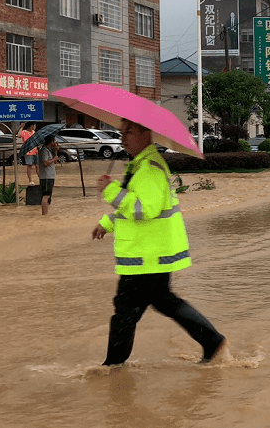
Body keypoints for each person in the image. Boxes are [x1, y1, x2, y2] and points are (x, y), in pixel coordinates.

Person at [91, 119, 226, 366]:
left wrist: (110, 191)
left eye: (128, 131)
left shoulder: (150, 169)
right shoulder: (140, 166)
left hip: (147, 255)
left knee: (127, 311)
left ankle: (112, 369)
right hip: (149, 253)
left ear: (145, 133)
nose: (123, 137)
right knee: (159, 302)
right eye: (122, 132)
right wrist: (107, 223)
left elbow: (145, 209)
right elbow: (131, 207)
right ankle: (211, 340)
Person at [37, 134, 60, 216]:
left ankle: (46, 214)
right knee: (46, 196)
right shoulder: (44, 150)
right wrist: (54, 159)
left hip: (50, 176)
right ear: (51, 142)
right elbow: (45, 163)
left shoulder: (50, 150)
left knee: (48, 196)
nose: (55, 142)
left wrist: (55, 151)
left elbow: (55, 161)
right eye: (54, 141)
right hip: (46, 176)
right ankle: (44, 214)